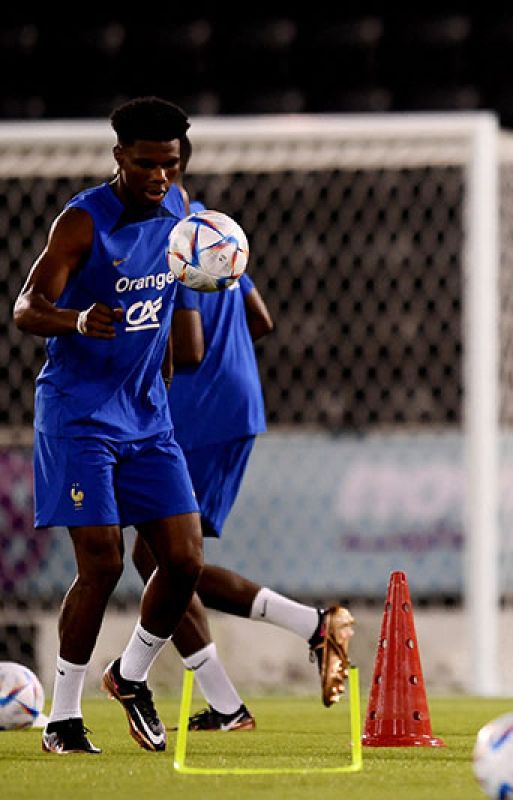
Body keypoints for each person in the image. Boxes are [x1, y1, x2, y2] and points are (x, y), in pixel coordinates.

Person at [128, 155, 354, 732]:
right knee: (162, 559)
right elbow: (260, 318)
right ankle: (229, 704)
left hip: (197, 413)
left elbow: (191, 349)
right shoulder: (214, 227)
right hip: (234, 403)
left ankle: (312, 625)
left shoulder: (170, 240)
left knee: (164, 559)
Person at [13, 97, 205, 754]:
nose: (159, 177)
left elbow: (170, 309)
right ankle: (61, 718)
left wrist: (164, 385)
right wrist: (75, 319)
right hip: (79, 418)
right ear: (120, 157)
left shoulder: (181, 214)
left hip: (148, 421)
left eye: (170, 166)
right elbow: (25, 306)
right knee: (102, 561)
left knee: (183, 560)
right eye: (146, 164)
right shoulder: (82, 223)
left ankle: (129, 674)